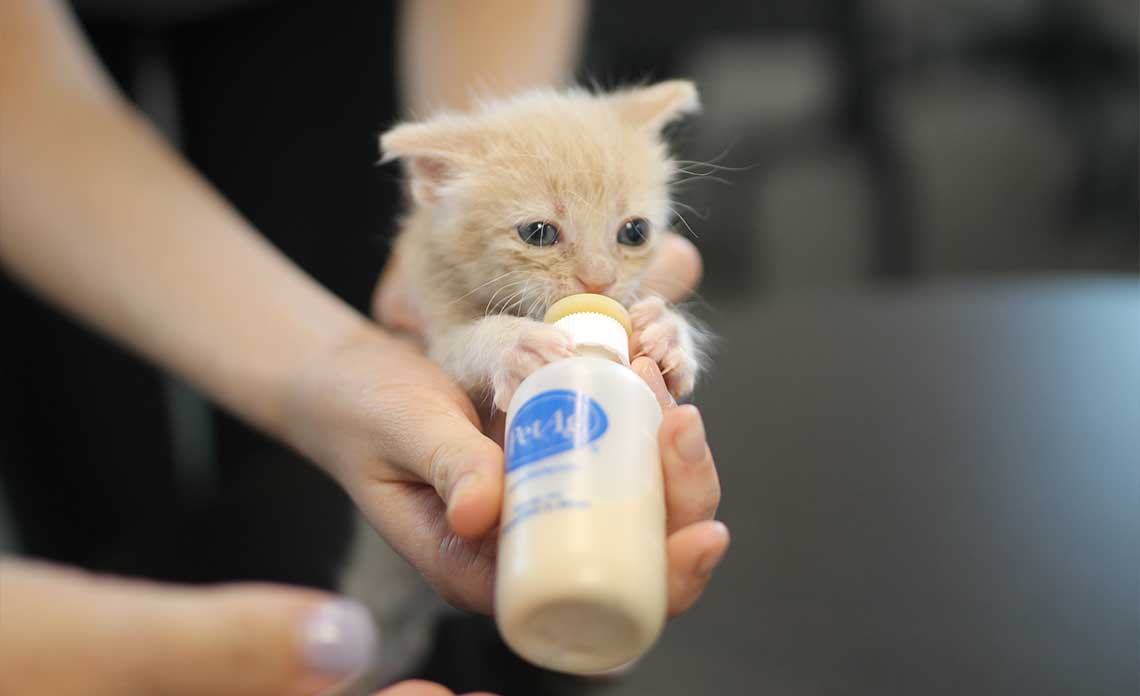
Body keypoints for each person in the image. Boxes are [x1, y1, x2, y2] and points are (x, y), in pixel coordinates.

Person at [0, 1, 727, 694]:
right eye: (541, 235)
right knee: (86, 427)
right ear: (432, 184)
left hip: (300, 20)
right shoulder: (445, 246)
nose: (599, 275)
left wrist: (663, 336)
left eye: (633, 235)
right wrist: (447, 348)